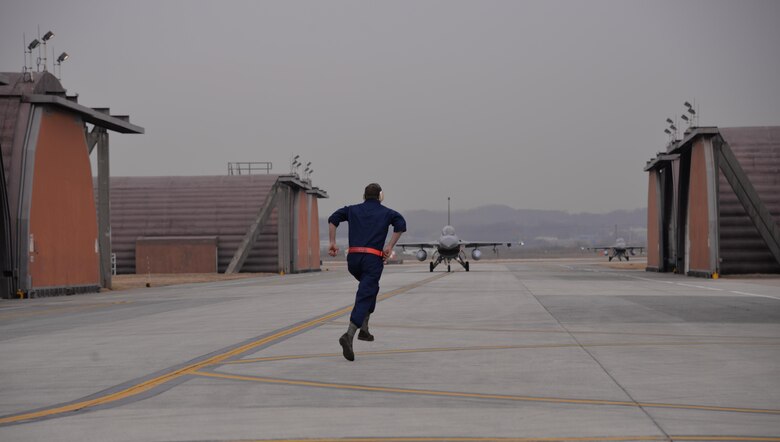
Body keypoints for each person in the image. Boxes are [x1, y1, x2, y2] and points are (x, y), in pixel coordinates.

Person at [328, 183, 406, 361]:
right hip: (372, 260)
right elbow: (401, 225)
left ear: (364, 196)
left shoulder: (352, 210)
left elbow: (333, 218)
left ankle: (364, 329)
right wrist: (389, 245)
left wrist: (332, 241)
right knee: (365, 293)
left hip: (353, 260)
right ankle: (349, 335)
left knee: (371, 288)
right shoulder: (388, 213)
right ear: (381, 196)